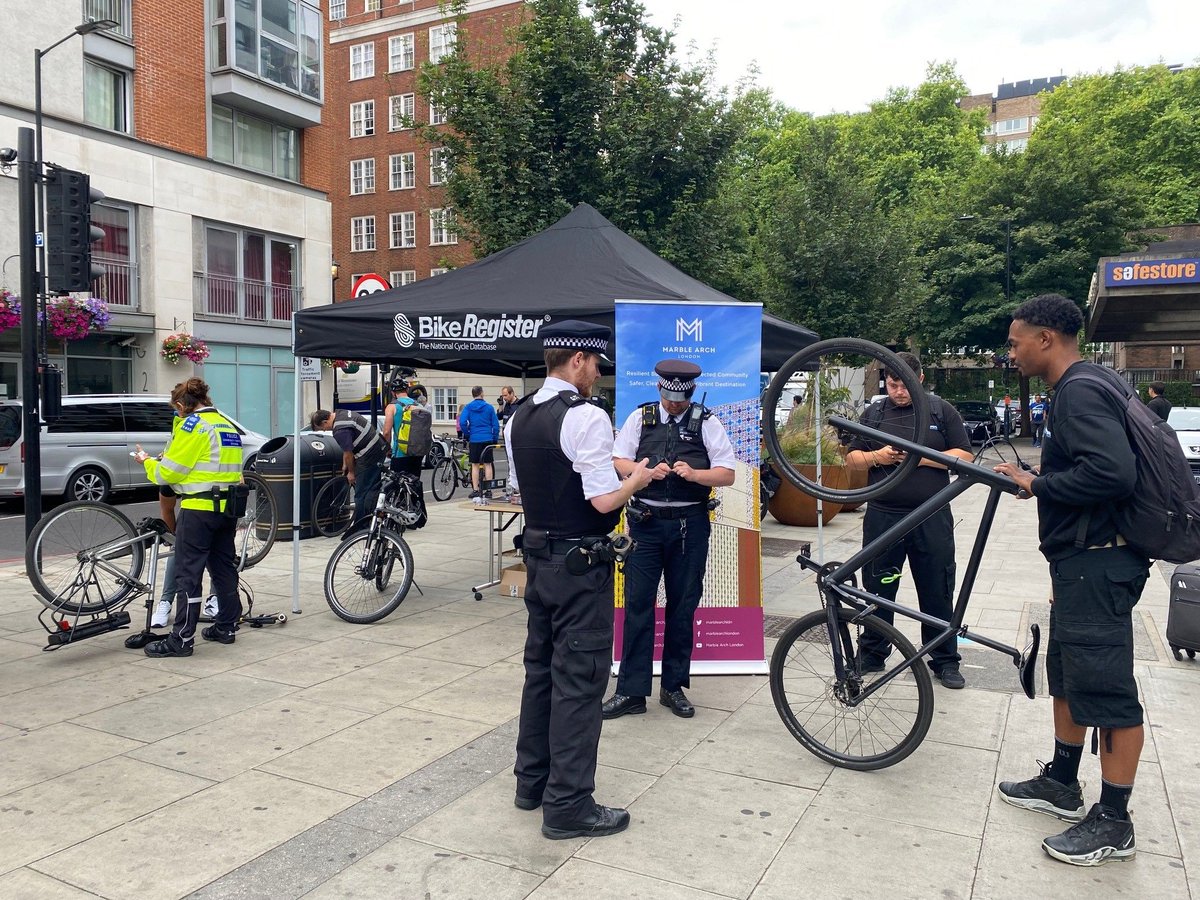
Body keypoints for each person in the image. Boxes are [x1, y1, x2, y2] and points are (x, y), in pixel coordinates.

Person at [994, 293, 1148, 866]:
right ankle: (1062, 781)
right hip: (1082, 560)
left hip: (1100, 563)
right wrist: (1039, 477)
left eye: (1015, 342)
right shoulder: (1085, 386)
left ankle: (1114, 820)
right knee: (1069, 672)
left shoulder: (1080, 391)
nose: (1011, 353)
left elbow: (1111, 473)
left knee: (1106, 688)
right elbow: (1087, 467)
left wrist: (1037, 486)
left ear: (1045, 340)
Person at [504, 319, 653, 840]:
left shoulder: (518, 416)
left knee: (540, 671)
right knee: (580, 681)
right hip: (579, 565)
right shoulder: (586, 416)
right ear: (577, 361)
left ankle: (532, 783)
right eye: (594, 364)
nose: (596, 373)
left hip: (539, 557)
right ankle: (568, 806)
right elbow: (601, 501)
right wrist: (636, 479)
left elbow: (526, 492)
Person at [602, 360, 736, 720]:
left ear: (691, 393)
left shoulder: (706, 421)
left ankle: (673, 687)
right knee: (637, 606)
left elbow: (727, 474)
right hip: (645, 524)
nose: (675, 405)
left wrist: (695, 474)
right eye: (669, 397)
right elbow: (617, 460)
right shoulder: (641, 418)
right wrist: (641, 472)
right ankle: (631, 691)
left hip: (689, 526)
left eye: (681, 399)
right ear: (660, 389)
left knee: (683, 606)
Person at [843, 351, 974, 689]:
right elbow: (852, 460)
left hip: (930, 515)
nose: (899, 391)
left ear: (920, 379)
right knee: (878, 588)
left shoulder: (940, 410)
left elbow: (964, 455)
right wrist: (879, 456)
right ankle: (872, 652)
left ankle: (944, 659)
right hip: (884, 516)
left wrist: (920, 459)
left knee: (937, 588)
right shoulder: (874, 412)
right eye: (893, 384)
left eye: (905, 385)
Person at [135, 378, 244, 657]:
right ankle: (226, 627)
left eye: (177, 409)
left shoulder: (192, 425)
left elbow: (168, 474)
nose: (178, 413)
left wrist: (147, 462)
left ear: (182, 405)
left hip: (199, 509)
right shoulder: (225, 424)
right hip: (227, 509)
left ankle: (181, 639)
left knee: (188, 574)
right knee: (223, 568)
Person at [309, 406, 387, 529]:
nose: (324, 431)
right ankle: (376, 516)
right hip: (377, 447)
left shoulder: (340, 430)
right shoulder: (342, 413)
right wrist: (345, 464)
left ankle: (362, 525)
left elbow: (348, 453)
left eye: (322, 428)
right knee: (371, 486)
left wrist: (351, 472)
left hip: (370, 455)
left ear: (325, 421)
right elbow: (348, 451)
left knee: (362, 492)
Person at [381, 377, 427, 527]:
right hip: (417, 452)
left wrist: (387, 449)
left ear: (394, 393)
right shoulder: (418, 405)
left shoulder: (392, 407)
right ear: (407, 390)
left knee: (396, 485)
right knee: (413, 483)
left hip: (400, 452)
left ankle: (398, 517)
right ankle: (417, 516)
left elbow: (387, 431)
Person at [459, 385, 500, 499]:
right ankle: (488, 490)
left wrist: (468, 433)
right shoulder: (489, 407)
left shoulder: (468, 407)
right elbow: (495, 425)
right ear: (482, 393)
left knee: (475, 465)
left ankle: (476, 490)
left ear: (473, 394)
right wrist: (494, 438)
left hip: (475, 438)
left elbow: (462, 422)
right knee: (488, 464)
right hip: (487, 438)